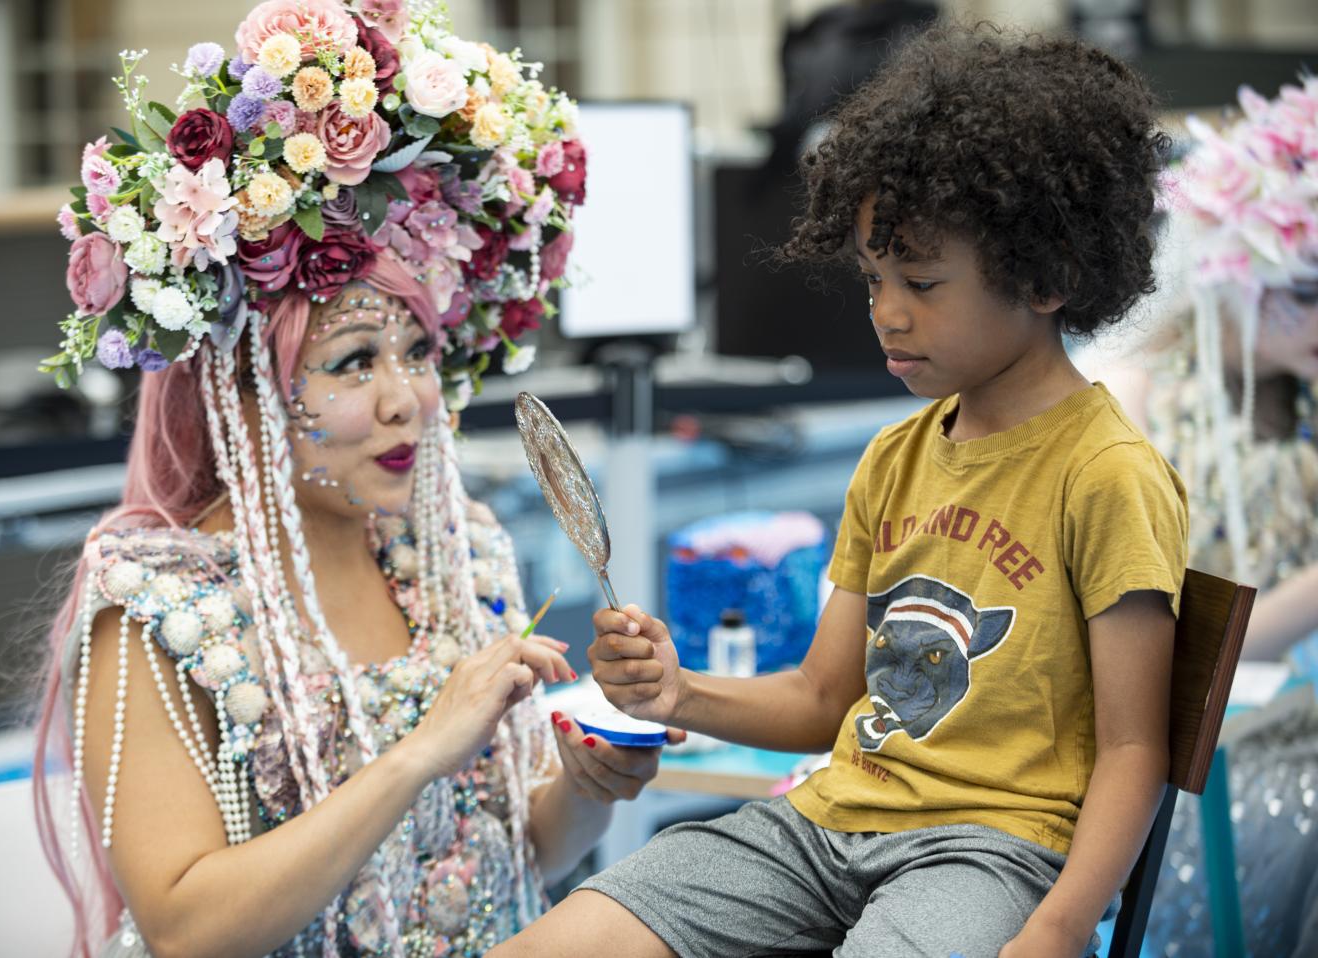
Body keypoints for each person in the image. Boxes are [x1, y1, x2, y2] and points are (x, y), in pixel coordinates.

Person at [494, 22, 1186, 958]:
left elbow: (1136, 748)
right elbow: (825, 698)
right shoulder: (894, 458)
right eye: (872, 280)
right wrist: (677, 692)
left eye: (923, 281)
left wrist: (1062, 925)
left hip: (989, 853)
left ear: (1051, 276)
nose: (886, 314)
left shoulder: (1107, 475)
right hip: (824, 825)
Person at [29, 3, 676, 956]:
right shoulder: (154, 609)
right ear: (246, 396)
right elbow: (187, 932)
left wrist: (583, 792)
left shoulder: (457, 553)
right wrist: (421, 752)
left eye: (415, 352)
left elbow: (507, 863)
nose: (405, 399)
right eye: (352, 362)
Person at [1090, 77, 1318, 958]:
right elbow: (1169, 641)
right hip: (1191, 760)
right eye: (1301, 291)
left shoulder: (1300, 398)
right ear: (1228, 275)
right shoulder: (1131, 398)